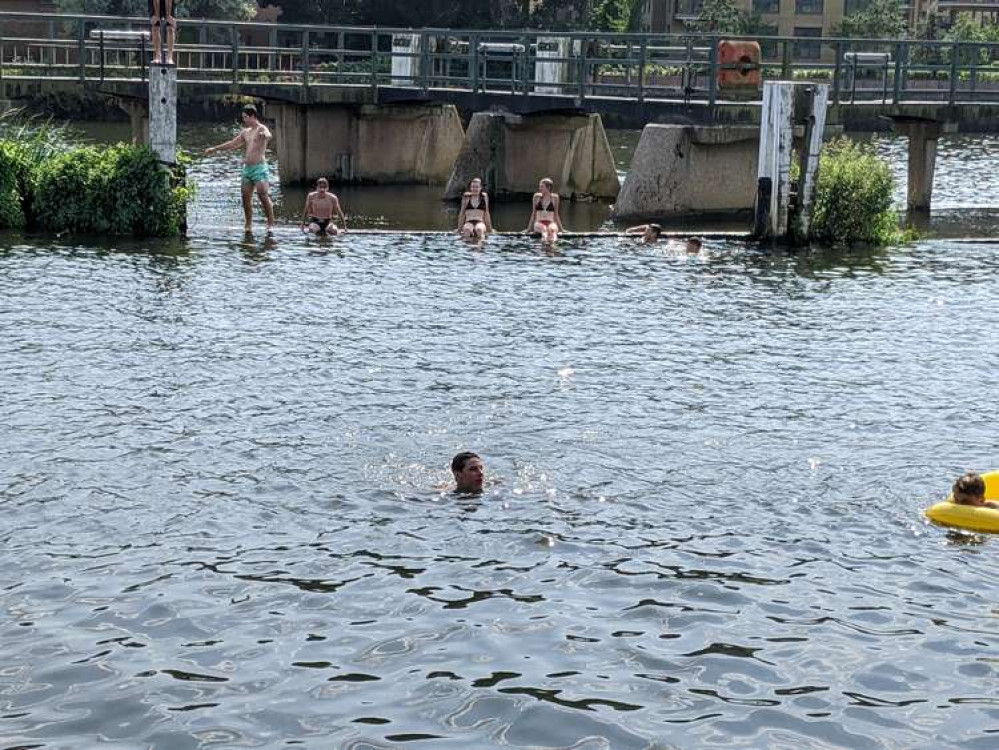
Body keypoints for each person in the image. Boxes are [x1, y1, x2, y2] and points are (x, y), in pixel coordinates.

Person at [204, 105, 276, 233]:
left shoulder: (261, 128)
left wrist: (265, 135)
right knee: (245, 196)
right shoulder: (246, 132)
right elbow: (232, 143)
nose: (244, 120)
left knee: (262, 194)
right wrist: (215, 149)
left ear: (253, 116)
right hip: (248, 169)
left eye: (245, 117)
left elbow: (268, 135)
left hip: (260, 167)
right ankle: (248, 224)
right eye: (243, 117)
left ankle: (270, 223)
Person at [526, 178, 564, 244]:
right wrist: (528, 229)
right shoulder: (536, 197)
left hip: (551, 222)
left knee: (552, 230)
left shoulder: (555, 197)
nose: (540, 188)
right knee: (544, 229)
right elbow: (533, 214)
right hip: (539, 223)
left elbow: (556, 215)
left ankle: (553, 247)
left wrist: (562, 230)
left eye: (542, 186)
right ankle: (544, 246)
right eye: (540, 186)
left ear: (548, 187)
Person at [149, 0, 177, 66]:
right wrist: (157, 15)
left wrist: (168, 15)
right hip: (154, 2)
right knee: (155, 26)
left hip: (169, 2)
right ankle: (158, 56)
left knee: (170, 27)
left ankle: (170, 57)